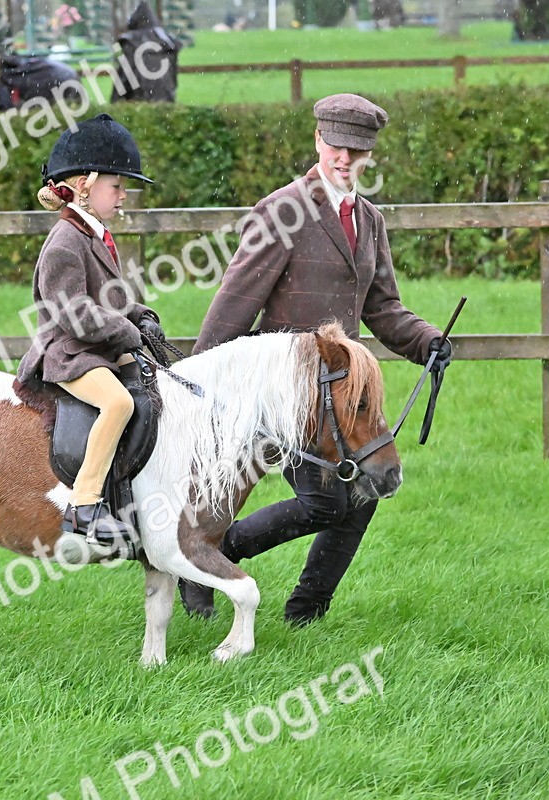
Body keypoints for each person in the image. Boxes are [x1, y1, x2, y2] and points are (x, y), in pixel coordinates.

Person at [180, 93, 453, 625]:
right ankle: (213, 557)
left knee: (368, 488)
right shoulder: (283, 211)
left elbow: (383, 306)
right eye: (335, 146)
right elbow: (236, 299)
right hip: (284, 390)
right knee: (327, 500)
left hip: (341, 389)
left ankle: (307, 611)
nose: (343, 158)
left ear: (368, 154)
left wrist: (427, 341)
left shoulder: (369, 220)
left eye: (356, 150)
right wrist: (197, 381)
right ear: (317, 140)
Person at [15, 114, 164, 544]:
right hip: (68, 353)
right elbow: (75, 313)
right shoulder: (65, 241)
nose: (123, 196)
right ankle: (84, 504)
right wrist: (127, 332)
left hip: (91, 348)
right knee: (117, 403)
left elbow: (107, 300)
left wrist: (139, 315)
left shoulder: (93, 235)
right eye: (116, 187)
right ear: (85, 186)